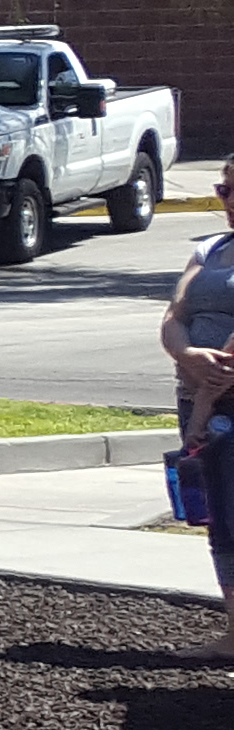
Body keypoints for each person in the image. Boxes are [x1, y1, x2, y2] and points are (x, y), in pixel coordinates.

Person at [164, 162, 234, 654]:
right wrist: (186, 353)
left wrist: (217, 382)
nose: (229, 198)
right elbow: (175, 314)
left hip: (221, 395)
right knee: (219, 516)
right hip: (198, 395)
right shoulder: (210, 250)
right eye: (225, 189)